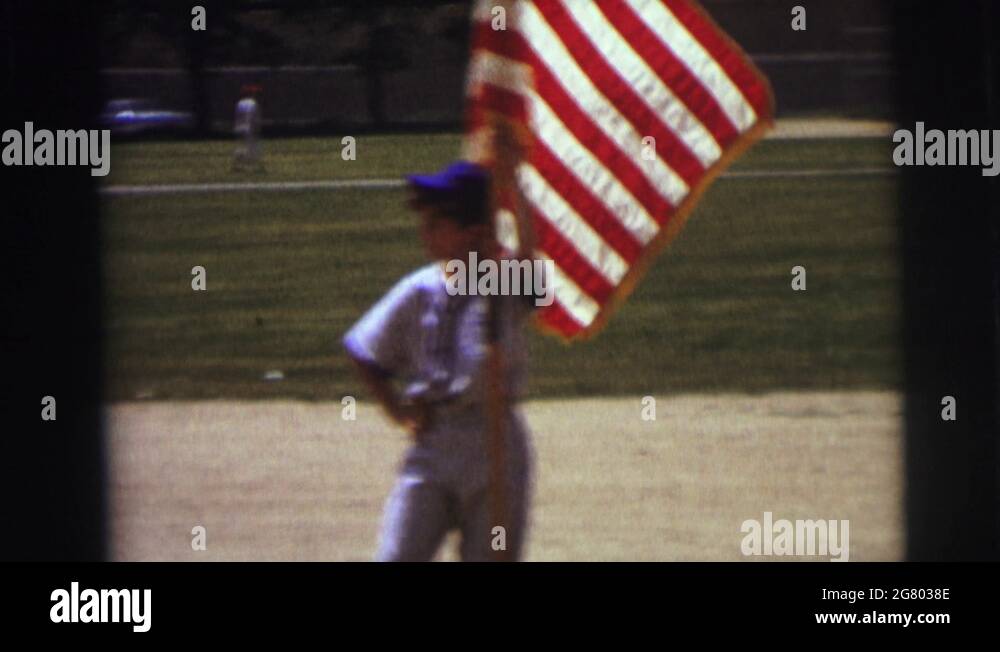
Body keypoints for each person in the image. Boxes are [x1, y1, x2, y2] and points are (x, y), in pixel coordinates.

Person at [342, 158, 539, 561]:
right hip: (434, 442)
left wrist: (512, 183)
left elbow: (531, 261)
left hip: (495, 440)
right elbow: (363, 350)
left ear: (473, 232)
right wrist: (398, 413)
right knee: (397, 554)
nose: (424, 231)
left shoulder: (502, 282)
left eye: (436, 222)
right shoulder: (419, 288)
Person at [232, 84, 263, 171]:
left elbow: (237, 116)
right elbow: (253, 117)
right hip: (249, 128)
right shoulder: (254, 103)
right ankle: (251, 166)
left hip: (239, 127)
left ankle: (237, 165)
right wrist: (255, 128)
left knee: (240, 146)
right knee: (252, 148)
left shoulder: (240, 103)